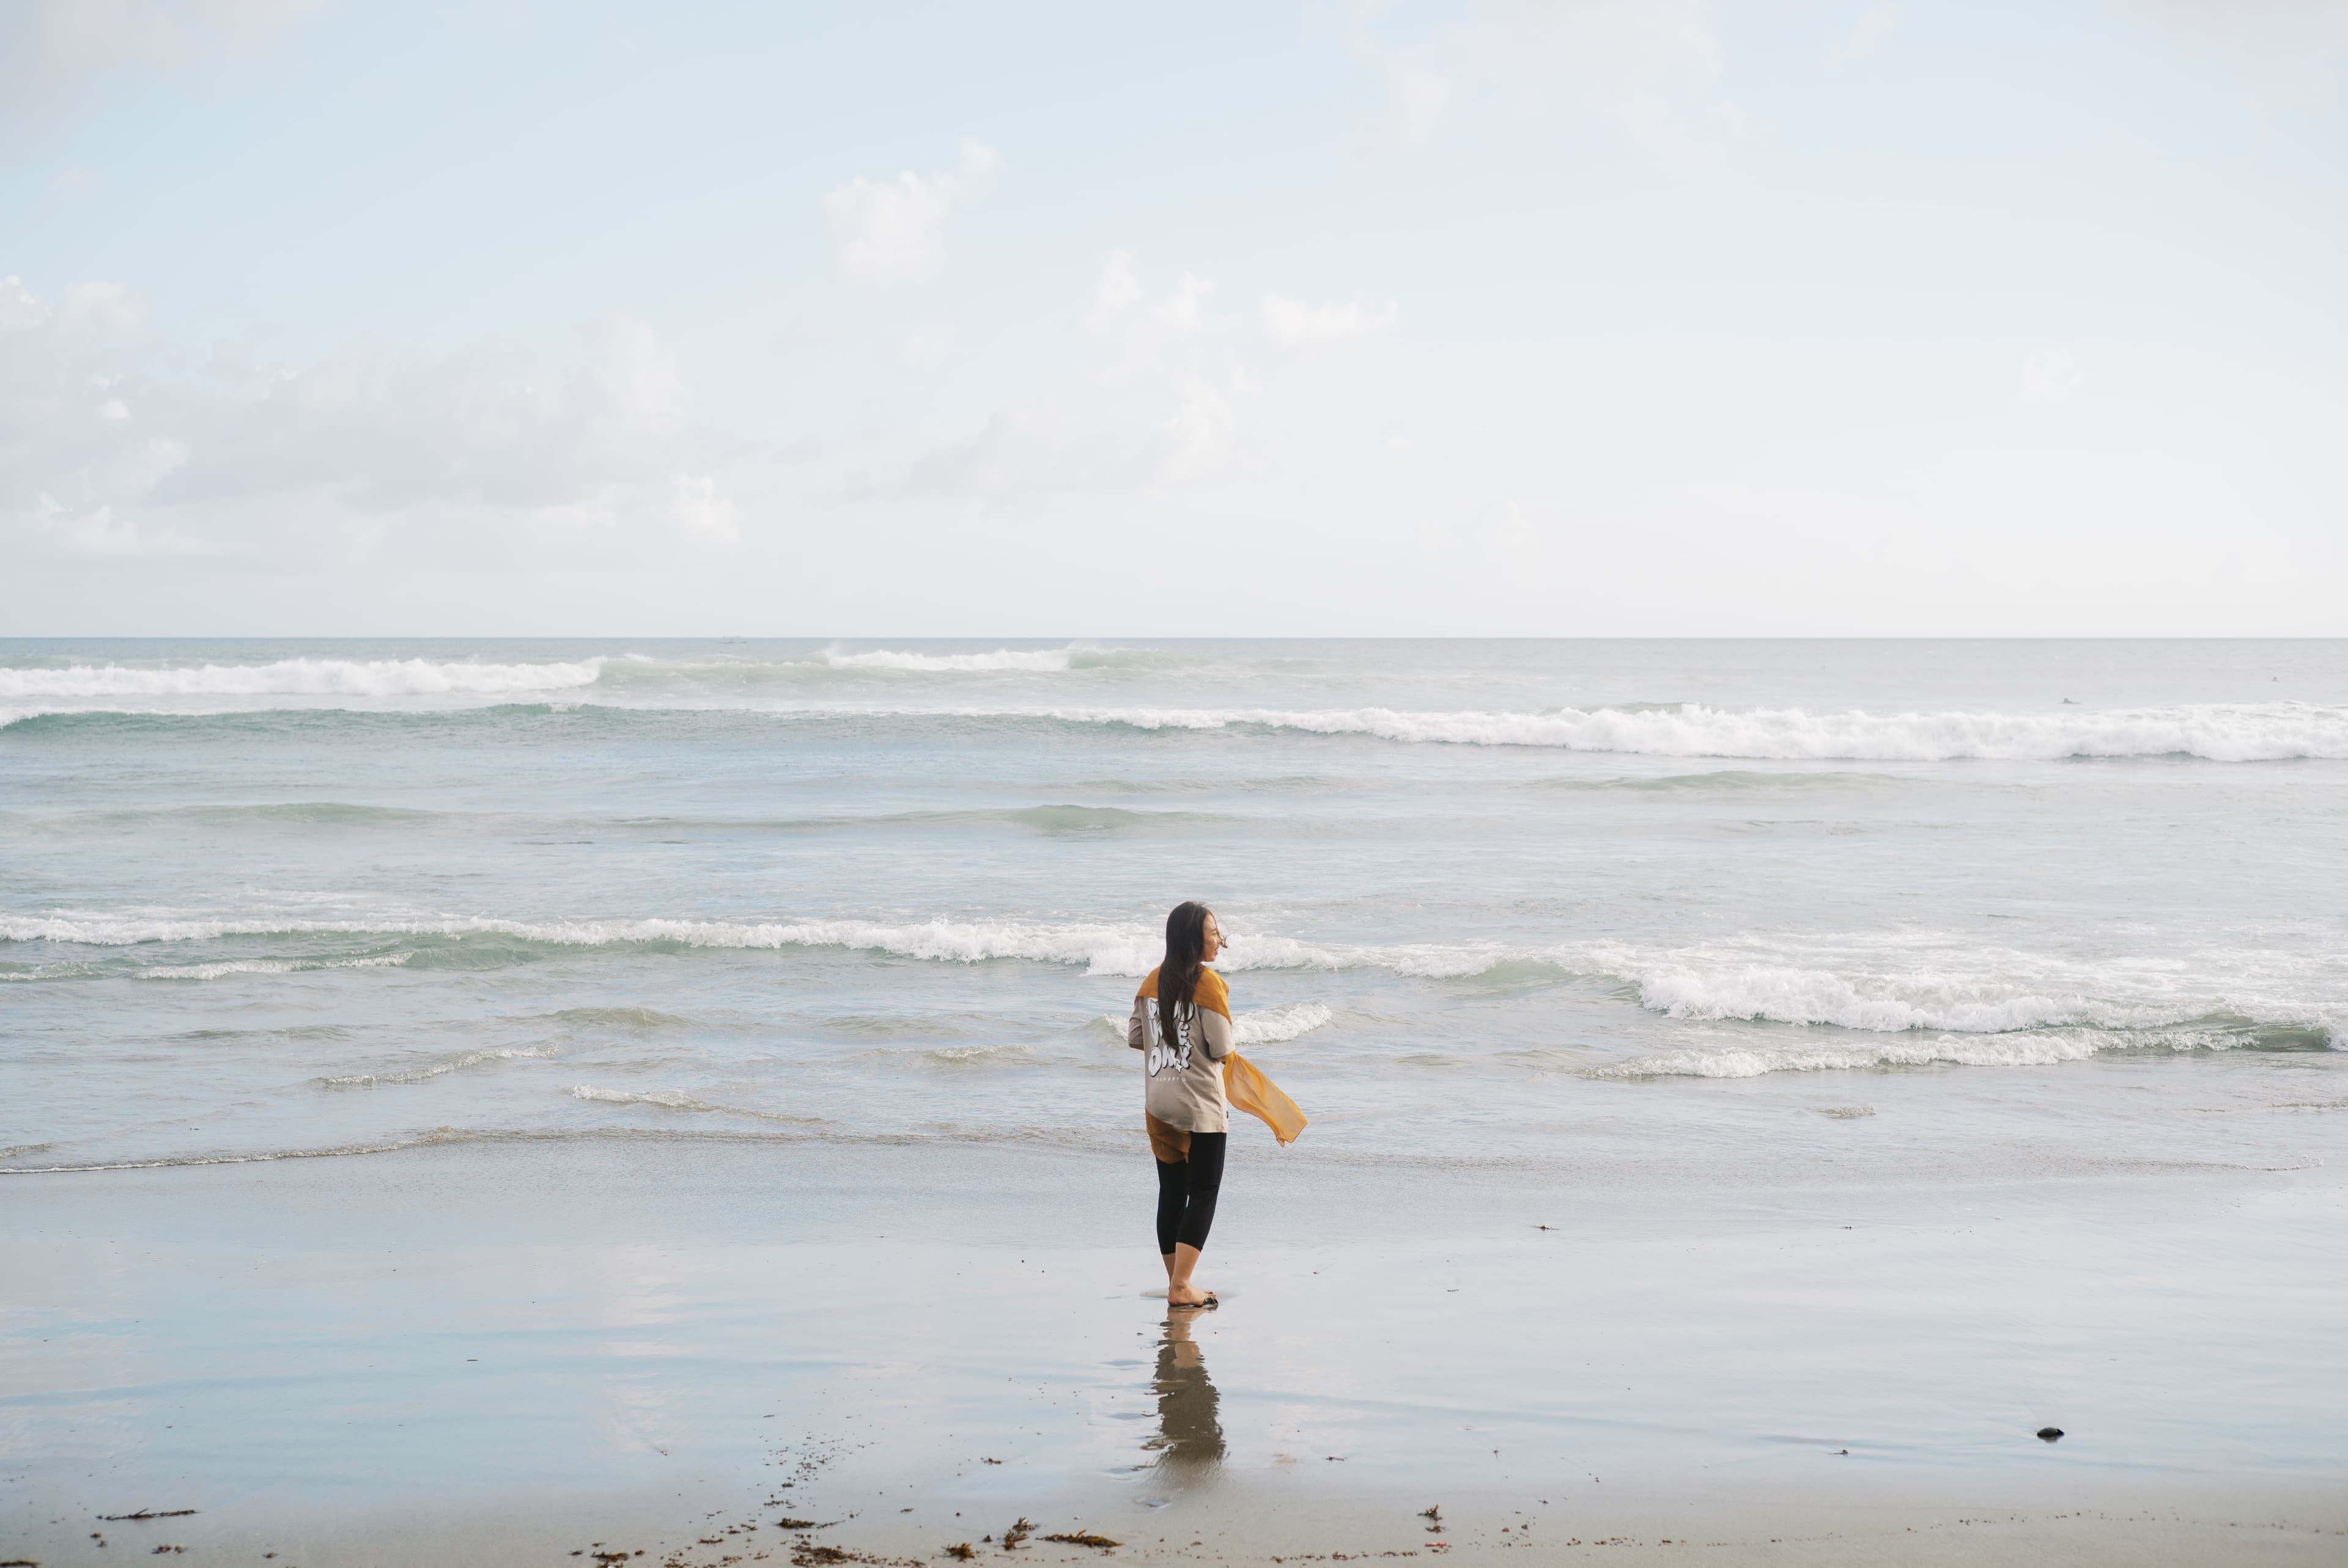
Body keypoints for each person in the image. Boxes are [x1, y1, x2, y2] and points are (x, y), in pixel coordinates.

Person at [1128, 901, 1235, 1310]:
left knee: (1172, 1190)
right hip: (1200, 1104)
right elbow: (1222, 1048)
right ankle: (1182, 1285)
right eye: (1213, 931)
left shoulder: (1151, 981)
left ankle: (1177, 1282)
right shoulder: (1209, 985)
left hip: (1159, 1101)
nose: (1219, 939)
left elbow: (1137, 1037)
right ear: (1194, 937)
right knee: (1204, 1191)